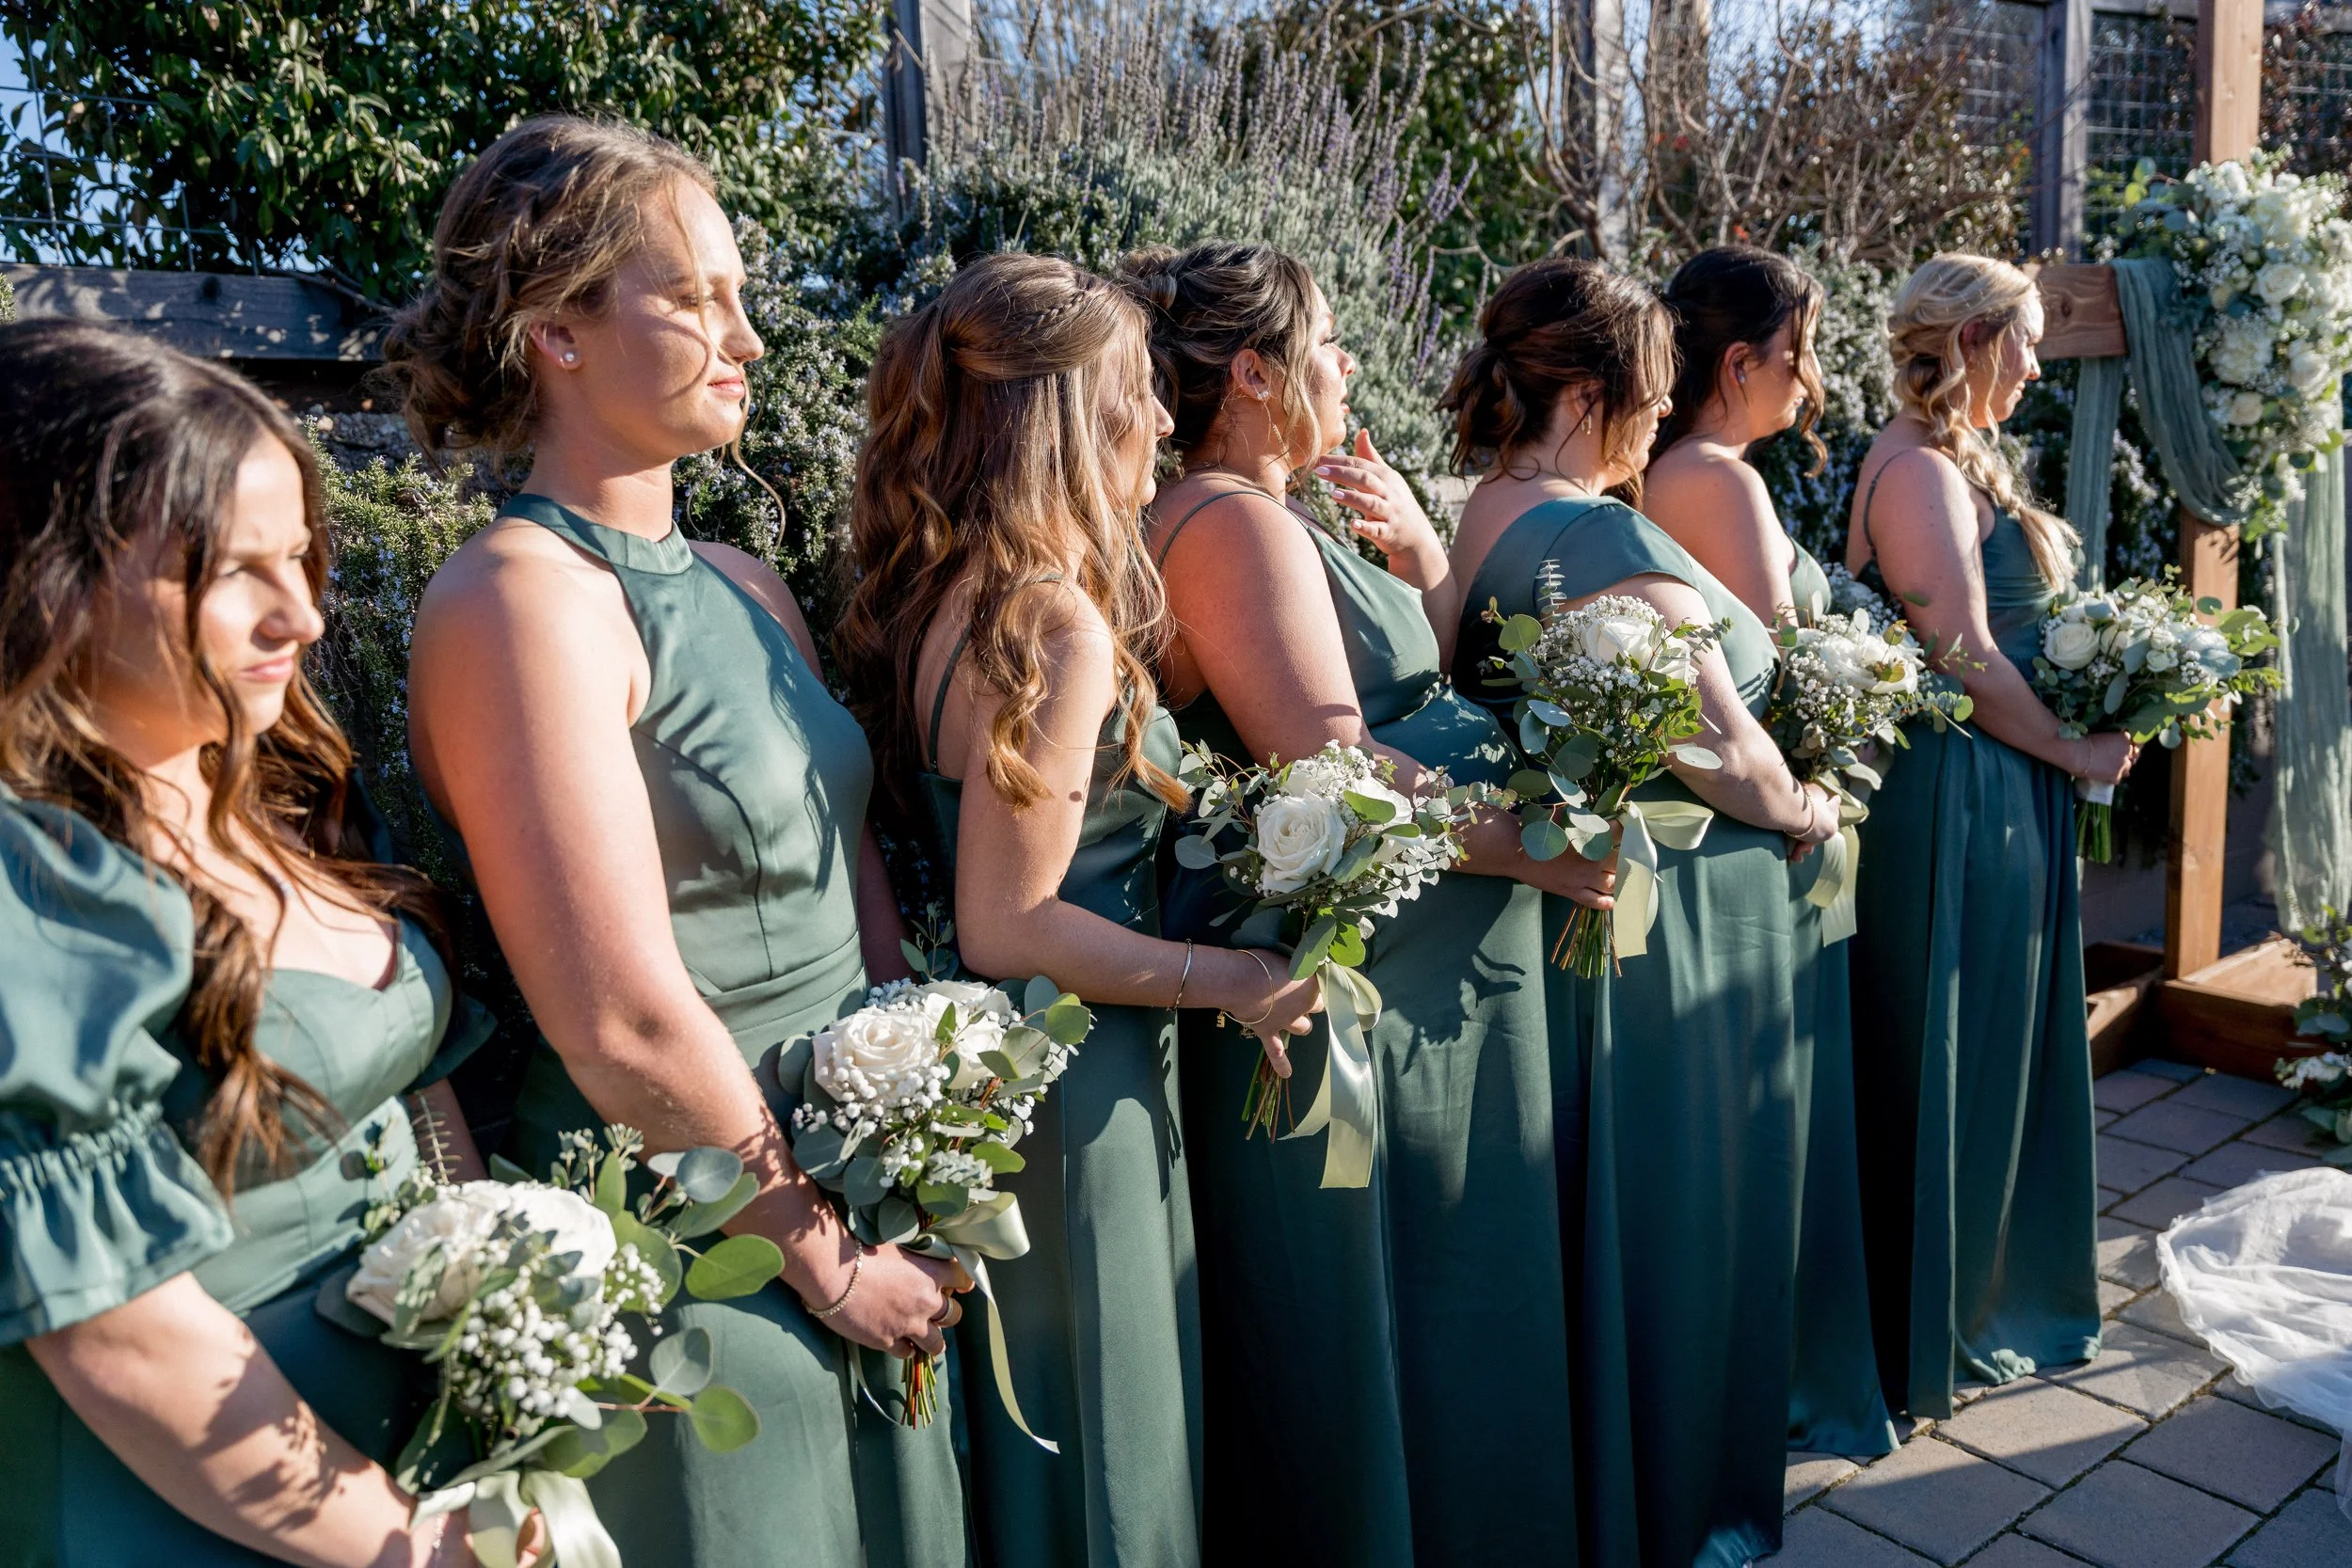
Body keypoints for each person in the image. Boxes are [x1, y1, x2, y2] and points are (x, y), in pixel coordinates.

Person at [389, 116, 968, 1568]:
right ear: (557, 333)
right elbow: (619, 1017)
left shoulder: (747, 581)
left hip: (862, 1193)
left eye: (741, 295)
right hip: (698, 1255)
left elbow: (852, 865)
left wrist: (928, 1136)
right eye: (697, 298)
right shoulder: (517, 600)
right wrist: (826, 1256)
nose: (747, 339)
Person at [1120, 239, 1613, 1568]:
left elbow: (1412, 690)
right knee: (1383, 1300)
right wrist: (1535, 847)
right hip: (1358, 969)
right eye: (1328, 342)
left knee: (1447, 1286)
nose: (1347, 364)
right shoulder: (1225, 520)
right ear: (1253, 370)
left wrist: (1421, 557)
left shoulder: (1283, 508)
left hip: (1430, 949)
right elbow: (1332, 761)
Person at [837, 251, 1319, 1568]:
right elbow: (1013, 917)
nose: (1164, 417)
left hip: (1002, 1072)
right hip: (1077, 1074)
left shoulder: (938, 592)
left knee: (1049, 1427)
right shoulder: (1054, 622)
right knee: (1113, 1426)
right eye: (1137, 391)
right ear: (1063, 415)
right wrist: (1231, 978)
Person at [0, 323, 507, 1566]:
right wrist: (412, 1542)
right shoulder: (29, 884)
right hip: (192, 1511)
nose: (305, 615)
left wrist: (508, 1310)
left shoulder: (282, 780)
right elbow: (126, 1336)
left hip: (417, 1456)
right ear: (49, 577)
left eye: (301, 558)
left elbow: (416, 1083)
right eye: (235, 570)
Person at [1444, 257, 1843, 1568]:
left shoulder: (1480, 514)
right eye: (1654, 388)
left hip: (1589, 926)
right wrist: (1809, 808)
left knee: (1610, 1228)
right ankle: (1678, 1509)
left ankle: (1618, 1492)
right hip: (1683, 929)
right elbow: (1722, 747)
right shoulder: (1601, 537)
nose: (1663, 413)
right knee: (1690, 1228)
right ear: (1590, 389)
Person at [1842, 253, 2130, 1420]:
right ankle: (1936, 1314)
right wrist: (2070, 749)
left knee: (1996, 1043)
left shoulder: (1957, 456)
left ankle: (1986, 1290)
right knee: (1949, 1046)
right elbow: (1958, 652)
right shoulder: (1915, 470)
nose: (2036, 367)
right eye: (2023, 341)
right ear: (1968, 341)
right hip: (1958, 791)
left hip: (2003, 782)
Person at [1645, 245, 1899, 1461]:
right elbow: (1784, 680)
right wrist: (1837, 770)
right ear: (1739, 362)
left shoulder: (1682, 471)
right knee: (1768, 1123)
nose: (1812, 379)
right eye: (1799, 354)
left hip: (1750, 822)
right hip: (1766, 832)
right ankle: (1789, 1378)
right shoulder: (1716, 481)